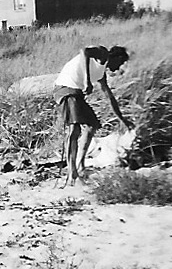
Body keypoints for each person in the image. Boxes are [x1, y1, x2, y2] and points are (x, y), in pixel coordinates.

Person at [53, 45, 134, 186]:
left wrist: (122, 119)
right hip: (65, 88)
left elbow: (109, 97)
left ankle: (80, 165)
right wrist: (87, 80)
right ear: (117, 57)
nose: (120, 67)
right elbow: (83, 51)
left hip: (76, 93)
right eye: (121, 63)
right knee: (74, 129)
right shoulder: (103, 54)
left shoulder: (101, 74)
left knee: (91, 126)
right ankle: (72, 173)